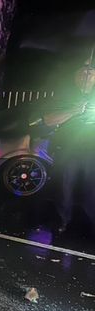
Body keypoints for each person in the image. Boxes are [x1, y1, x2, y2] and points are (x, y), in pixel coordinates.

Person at [51, 62, 95, 232]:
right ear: (76, 76)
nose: (86, 74)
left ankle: (91, 221)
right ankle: (63, 220)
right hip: (68, 148)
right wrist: (73, 111)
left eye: (90, 71)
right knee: (64, 187)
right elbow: (49, 119)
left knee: (92, 187)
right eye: (83, 70)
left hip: (91, 150)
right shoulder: (64, 96)